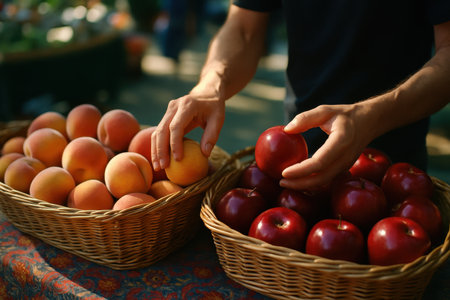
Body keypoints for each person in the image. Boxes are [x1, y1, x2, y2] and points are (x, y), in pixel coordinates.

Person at [151, 1, 450, 191]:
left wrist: (369, 119)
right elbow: (243, 28)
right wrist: (210, 85)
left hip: (394, 175)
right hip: (294, 159)